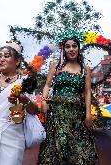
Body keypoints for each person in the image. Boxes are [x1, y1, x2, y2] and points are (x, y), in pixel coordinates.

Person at [38, 36, 99, 164]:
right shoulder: (57, 64)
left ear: (78, 48)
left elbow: (87, 92)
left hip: (77, 115)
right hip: (58, 114)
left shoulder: (85, 68)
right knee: (56, 150)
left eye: (74, 46)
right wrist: (43, 100)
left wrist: (88, 115)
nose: (71, 49)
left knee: (80, 153)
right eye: (68, 46)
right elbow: (48, 84)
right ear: (63, 49)